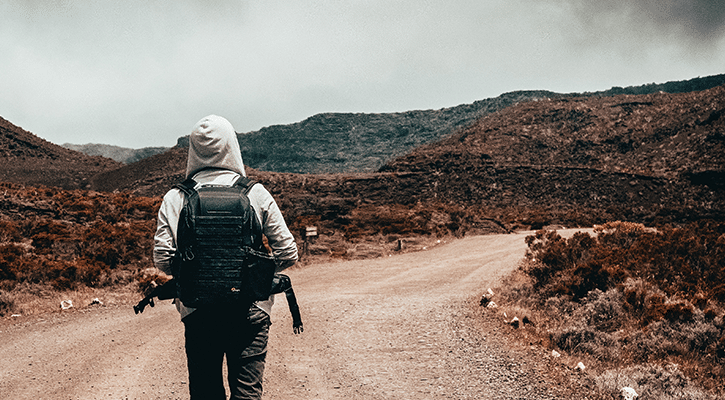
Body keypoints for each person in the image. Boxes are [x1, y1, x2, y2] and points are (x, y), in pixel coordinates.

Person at [153, 115, 298, 399]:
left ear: (193, 148)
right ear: (232, 144)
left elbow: (162, 259)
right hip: (251, 309)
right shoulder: (254, 192)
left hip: (198, 311)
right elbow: (288, 252)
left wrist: (199, 271)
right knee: (247, 394)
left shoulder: (176, 197)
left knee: (206, 392)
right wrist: (253, 271)